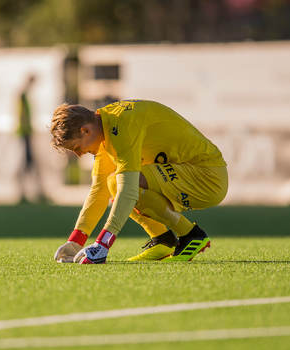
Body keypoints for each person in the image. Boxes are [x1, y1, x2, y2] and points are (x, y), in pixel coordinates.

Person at [50, 100, 227, 264]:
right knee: (112, 183)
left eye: (76, 148)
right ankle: (163, 240)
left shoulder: (121, 126)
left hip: (207, 176)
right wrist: (75, 241)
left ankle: (191, 235)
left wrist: (103, 244)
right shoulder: (105, 126)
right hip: (190, 172)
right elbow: (99, 190)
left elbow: (128, 190)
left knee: (124, 184)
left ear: (85, 131)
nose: (79, 154)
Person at [16, 74, 46, 203]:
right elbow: (23, 116)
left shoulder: (23, 96)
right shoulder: (22, 96)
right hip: (25, 134)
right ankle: (27, 192)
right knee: (28, 164)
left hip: (26, 133)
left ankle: (29, 193)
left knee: (29, 164)